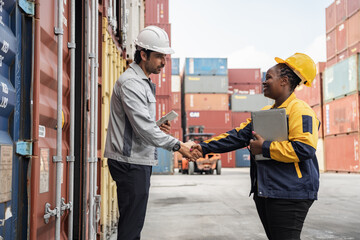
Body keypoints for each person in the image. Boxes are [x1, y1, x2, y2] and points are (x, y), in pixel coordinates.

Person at [190, 53, 320, 240]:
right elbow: (237, 136)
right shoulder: (267, 113)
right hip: (268, 191)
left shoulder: (301, 110)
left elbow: (304, 149)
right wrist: (202, 148)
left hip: (291, 192)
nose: (263, 82)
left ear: (284, 81)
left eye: (268, 77)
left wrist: (265, 147)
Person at [104, 25, 195, 240]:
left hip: (137, 160)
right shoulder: (131, 83)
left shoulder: (143, 82)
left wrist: (156, 126)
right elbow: (144, 129)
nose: (163, 62)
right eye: (159, 57)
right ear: (143, 54)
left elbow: (141, 125)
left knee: (133, 222)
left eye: (164, 56)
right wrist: (179, 146)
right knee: (131, 226)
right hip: (130, 162)